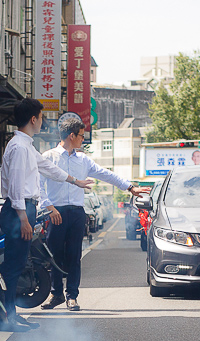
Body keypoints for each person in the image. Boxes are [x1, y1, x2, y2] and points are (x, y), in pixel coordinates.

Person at [0, 99, 94, 332]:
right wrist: (23, 217)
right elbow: (16, 187)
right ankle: (6, 317)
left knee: (19, 262)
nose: (43, 121)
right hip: (18, 211)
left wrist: (75, 181)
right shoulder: (20, 148)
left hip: (24, 209)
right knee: (14, 265)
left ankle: (10, 314)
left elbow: (49, 168)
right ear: (33, 119)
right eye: (41, 117)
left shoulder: (27, 146)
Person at [40, 112, 146, 311]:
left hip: (77, 213)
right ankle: (56, 295)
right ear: (71, 136)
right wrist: (49, 207)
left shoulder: (83, 160)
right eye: (81, 135)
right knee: (54, 256)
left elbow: (106, 174)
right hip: (56, 212)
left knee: (74, 255)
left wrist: (130, 187)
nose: (83, 139)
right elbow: (38, 185)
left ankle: (72, 296)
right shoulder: (48, 158)